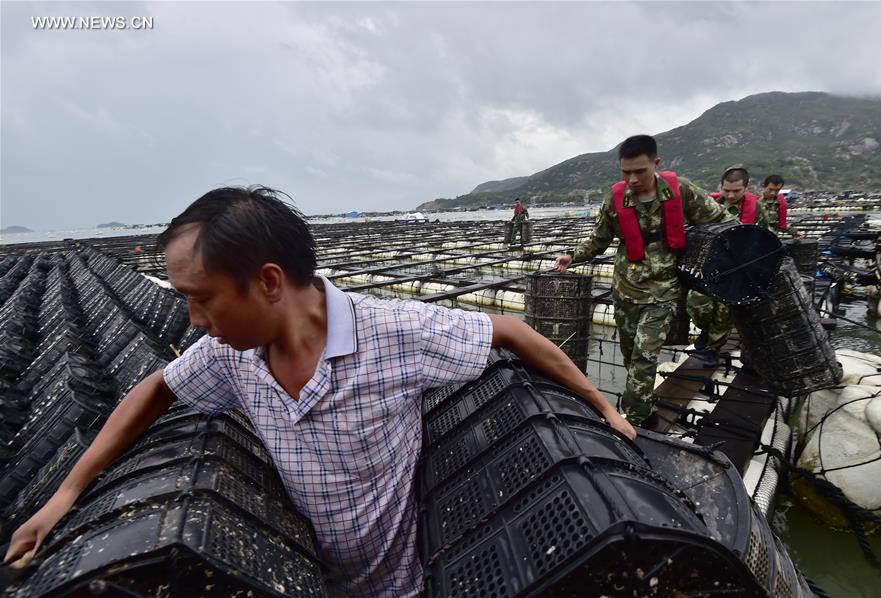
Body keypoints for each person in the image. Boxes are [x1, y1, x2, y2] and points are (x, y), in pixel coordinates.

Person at [5, 186, 634, 597]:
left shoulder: (396, 330)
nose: (194, 321)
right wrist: (66, 494)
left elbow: (512, 330)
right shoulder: (231, 357)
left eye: (202, 300)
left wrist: (601, 404)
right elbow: (155, 390)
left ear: (268, 282)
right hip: (307, 578)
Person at [554, 135, 733, 424]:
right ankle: (644, 405)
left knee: (644, 355)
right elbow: (599, 240)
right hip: (626, 289)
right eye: (626, 173)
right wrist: (572, 257)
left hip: (664, 289)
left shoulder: (680, 190)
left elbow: (720, 220)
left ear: (656, 164)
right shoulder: (615, 199)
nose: (633, 179)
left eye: (640, 171)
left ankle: (636, 420)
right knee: (630, 355)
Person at [687, 165, 766, 366]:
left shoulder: (756, 209)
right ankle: (706, 329)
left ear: (745, 188)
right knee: (696, 303)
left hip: (738, 269)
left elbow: (766, 239)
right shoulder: (710, 204)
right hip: (712, 265)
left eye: (736, 191)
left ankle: (713, 348)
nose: (730, 195)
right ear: (720, 187)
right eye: (726, 190)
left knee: (723, 310)